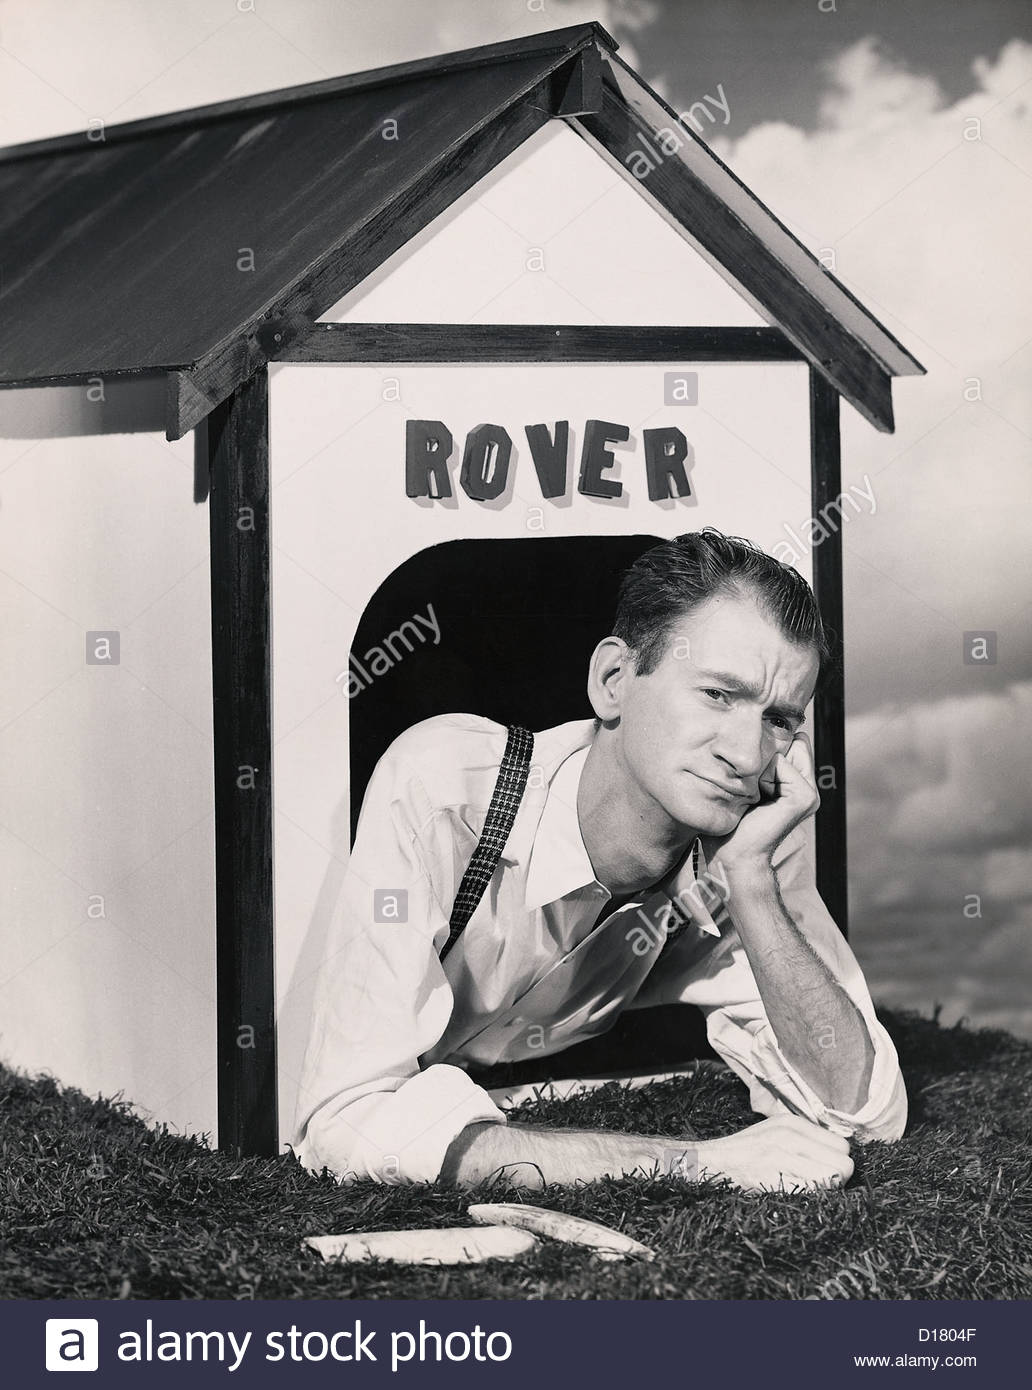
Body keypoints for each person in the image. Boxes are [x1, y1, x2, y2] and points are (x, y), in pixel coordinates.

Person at [292, 529, 906, 1191]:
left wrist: (753, 883)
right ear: (614, 681)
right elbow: (346, 1118)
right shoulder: (444, 788)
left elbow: (866, 1111)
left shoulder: (748, 843)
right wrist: (696, 1165)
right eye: (718, 695)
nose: (747, 754)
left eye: (779, 719)